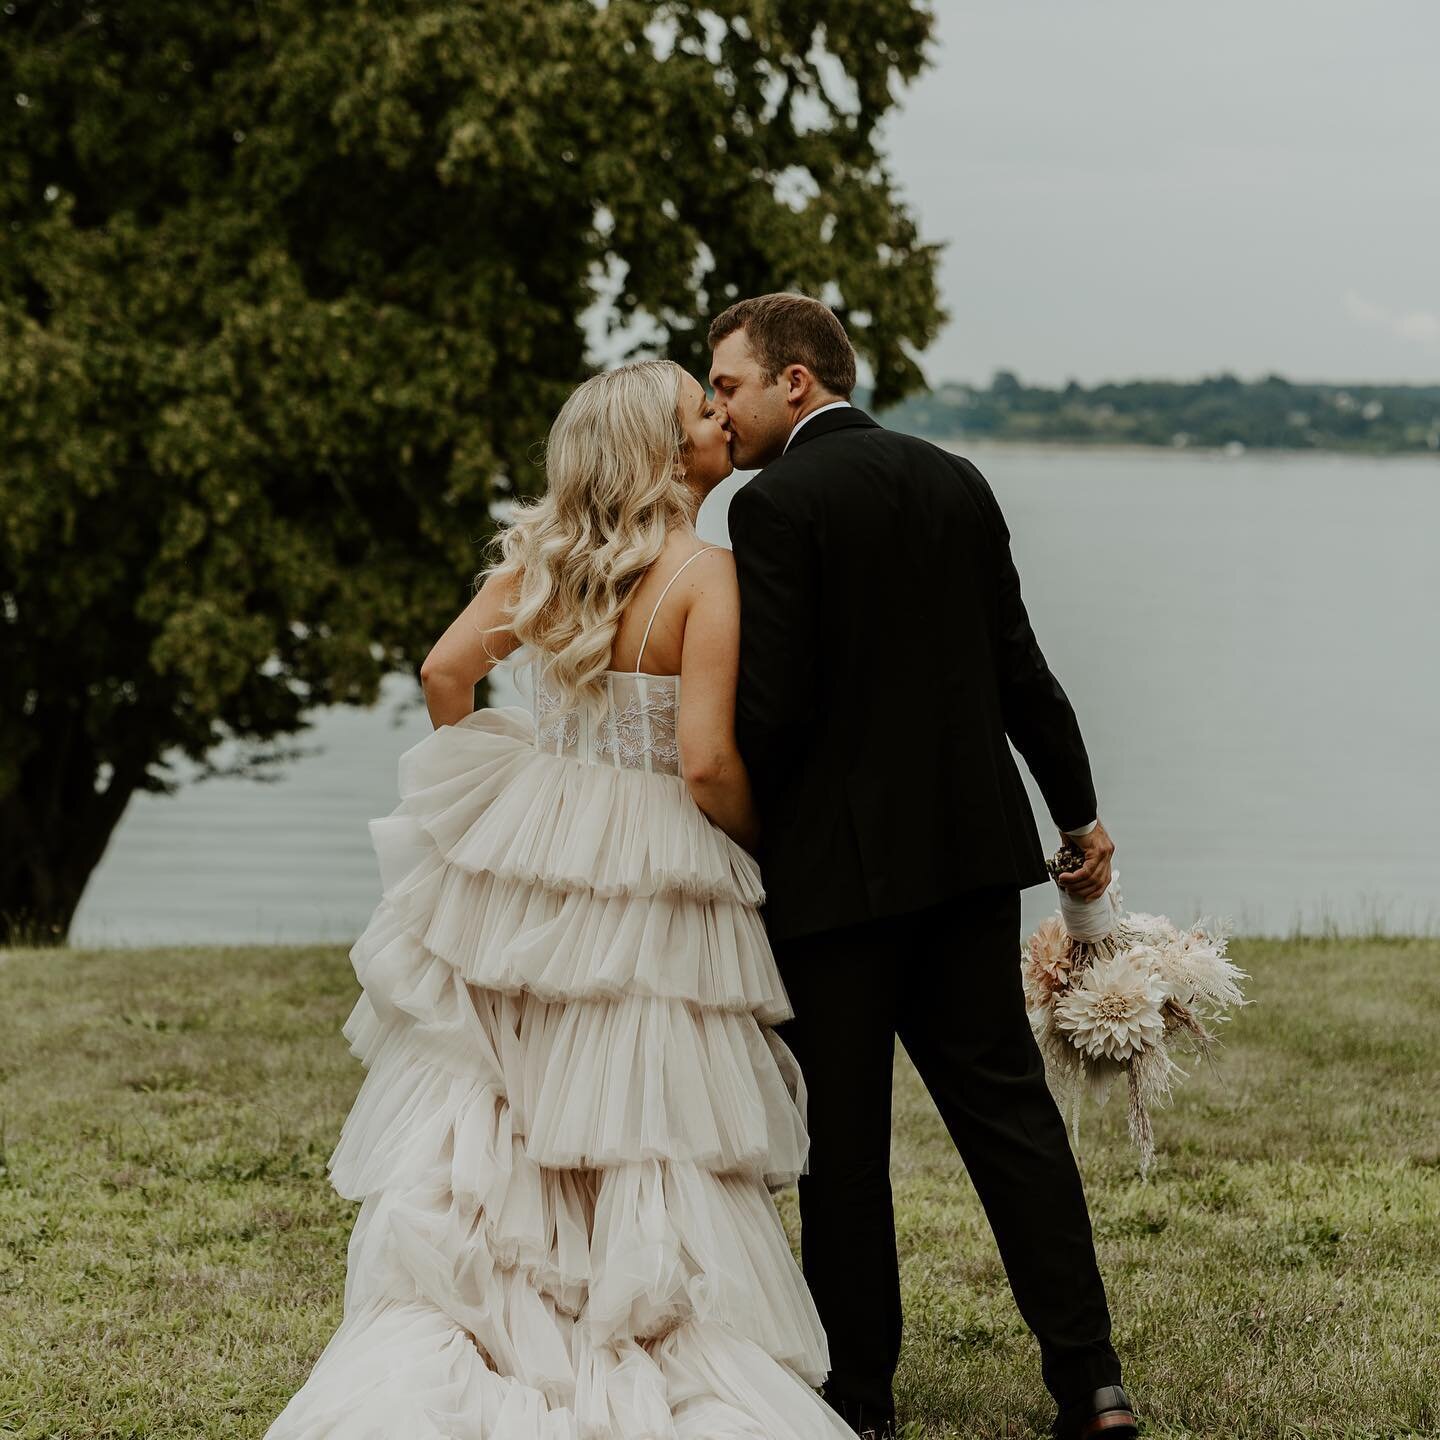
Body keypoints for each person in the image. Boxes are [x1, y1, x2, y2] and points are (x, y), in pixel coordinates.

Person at [263, 361, 858, 1439]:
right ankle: (631, 1321)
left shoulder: (548, 560)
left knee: (514, 1092)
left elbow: (449, 676)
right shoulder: (705, 577)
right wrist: (764, 849)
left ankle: (507, 1318)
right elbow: (710, 765)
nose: (721, 417)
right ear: (667, 454)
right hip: (653, 848)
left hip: (538, 837)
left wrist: (513, 792)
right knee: (646, 1105)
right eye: (699, 410)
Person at [709, 293, 1137, 1440]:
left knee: (843, 1150)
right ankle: (1090, 1384)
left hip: (834, 889)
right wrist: (1079, 807)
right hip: (966, 864)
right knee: (1009, 1122)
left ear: (797, 380)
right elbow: (1017, 663)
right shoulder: (956, 477)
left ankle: (864, 1402)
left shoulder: (771, 505)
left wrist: (734, 830)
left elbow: (775, 708)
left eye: (729, 385)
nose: (718, 409)